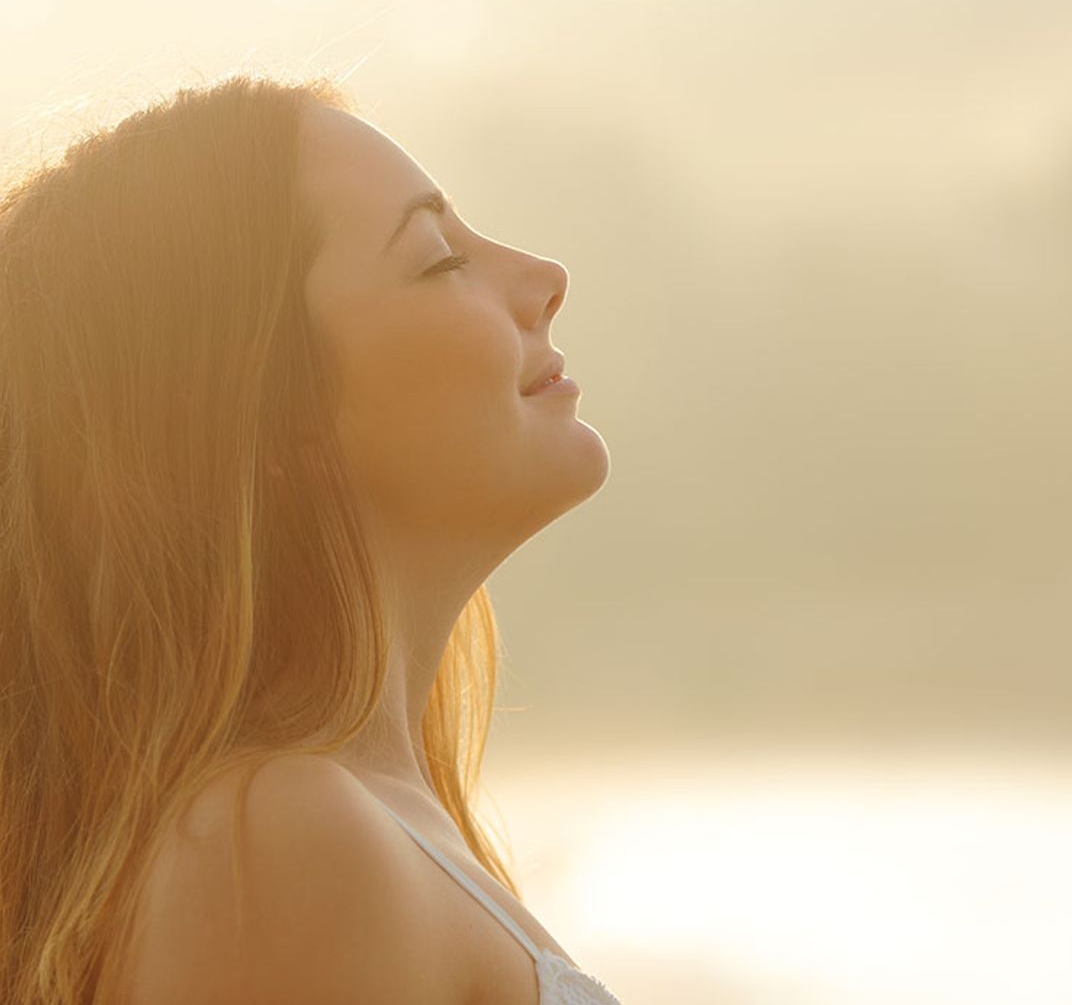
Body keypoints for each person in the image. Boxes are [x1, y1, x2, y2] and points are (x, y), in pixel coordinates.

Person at [0, 71, 620, 1004]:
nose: (544, 278)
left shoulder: (349, 829)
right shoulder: (281, 841)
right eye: (440, 258)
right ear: (273, 421)